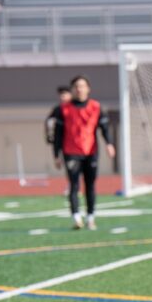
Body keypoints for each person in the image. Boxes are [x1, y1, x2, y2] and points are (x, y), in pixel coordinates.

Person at [52, 75, 115, 230]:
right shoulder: (63, 109)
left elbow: (104, 128)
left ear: (88, 88)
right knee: (73, 185)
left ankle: (91, 217)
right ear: (72, 89)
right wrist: (56, 154)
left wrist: (109, 144)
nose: (79, 89)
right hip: (70, 152)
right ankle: (76, 218)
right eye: (76, 86)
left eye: (82, 86)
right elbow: (58, 134)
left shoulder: (95, 107)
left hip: (90, 151)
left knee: (90, 185)